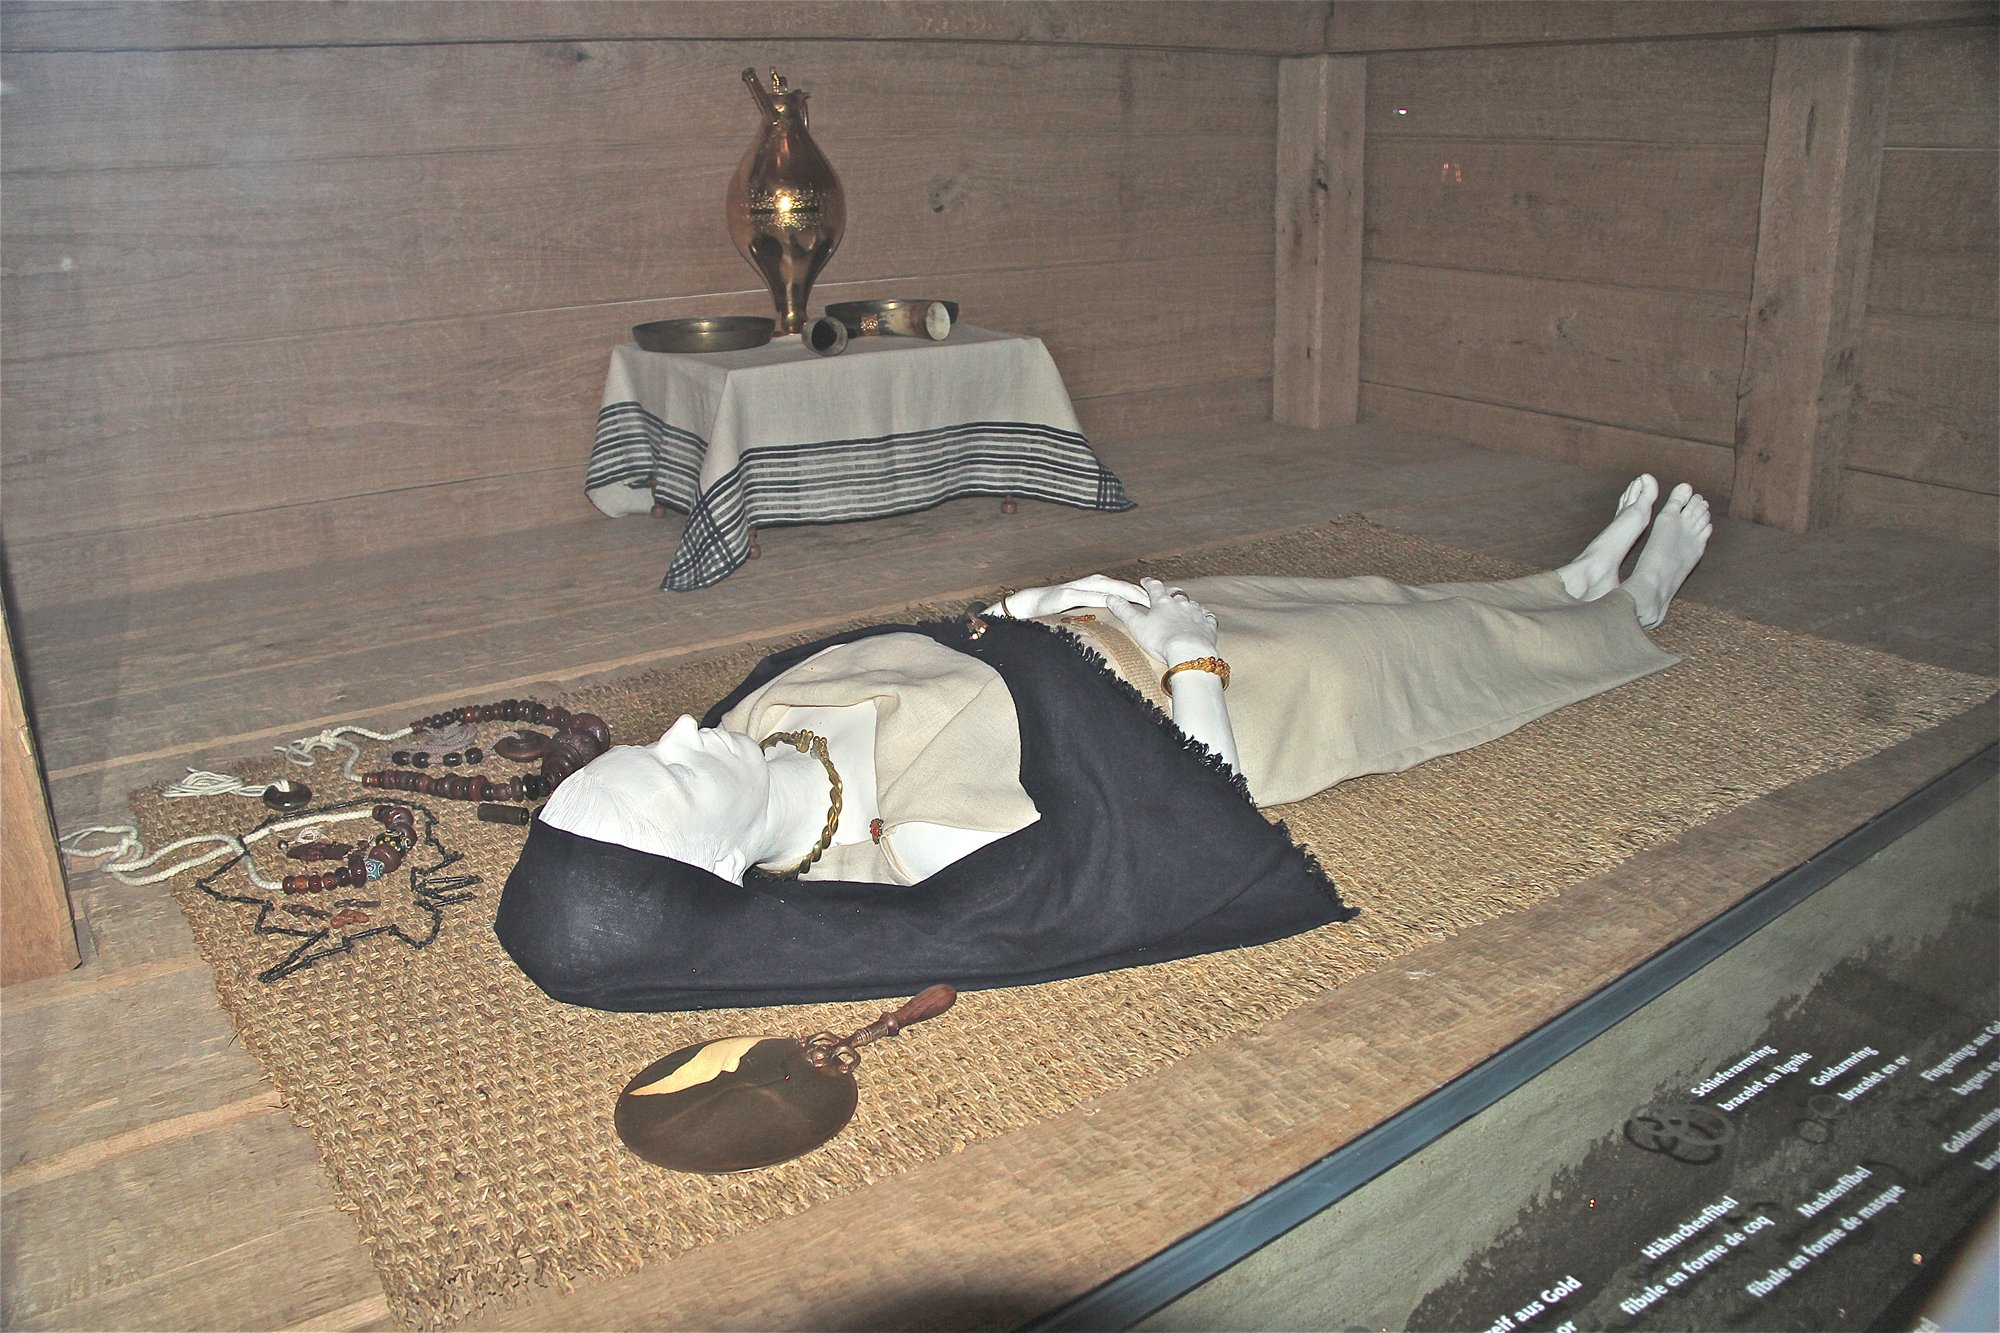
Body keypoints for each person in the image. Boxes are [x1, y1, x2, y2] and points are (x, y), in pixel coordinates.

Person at [497, 477, 1712, 1011]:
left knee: (1366, 594)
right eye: (670, 769)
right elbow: (1184, 834)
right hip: (1218, 702)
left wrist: (1027, 610)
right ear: (716, 867)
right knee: (1392, 652)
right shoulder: (924, 846)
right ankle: (1626, 614)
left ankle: (1557, 585)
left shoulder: (749, 723)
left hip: (1098, 631)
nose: (678, 726)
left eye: (649, 744)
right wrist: (1187, 661)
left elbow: (934, 652)